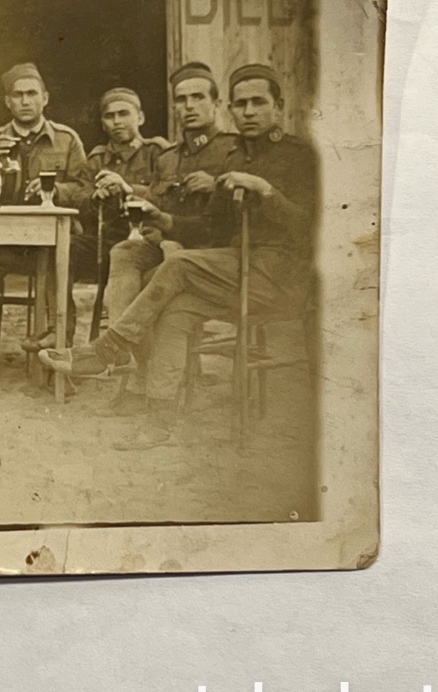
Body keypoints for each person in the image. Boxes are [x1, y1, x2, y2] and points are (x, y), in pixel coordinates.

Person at [41, 64, 319, 447]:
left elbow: (312, 227)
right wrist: (164, 218)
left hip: (281, 275)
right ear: (232, 109)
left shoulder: (300, 155)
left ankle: (104, 350)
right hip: (234, 270)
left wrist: (265, 191)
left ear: (279, 106)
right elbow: (212, 229)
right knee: (177, 311)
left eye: (258, 103)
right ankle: (159, 419)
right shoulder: (235, 156)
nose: (249, 112)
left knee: (178, 263)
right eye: (242, 104)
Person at [87, 64, 246, 414]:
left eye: (198, 97)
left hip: (212, 254)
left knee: (154, 278)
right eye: (181, 99)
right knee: (125, 251)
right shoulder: (169, 156)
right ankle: (128, 356)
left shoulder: (235, 151)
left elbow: (235, 218)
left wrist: (218, 184)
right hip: (172, 247)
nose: (188, 106)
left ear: (217, 104)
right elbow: (160, 202)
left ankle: (139, 382)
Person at [0, 62, 93, 390]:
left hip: (52, 243)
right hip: (7, 243)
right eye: (17, 95)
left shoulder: (66, 140)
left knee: (60, 270)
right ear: (7, 103)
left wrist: (57, 191)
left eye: (32, 94)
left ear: (45, 98)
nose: (25, 101)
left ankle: (60, 355)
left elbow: (87, 192)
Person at [60, 87, 170, 345]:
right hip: (104, 244)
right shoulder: (97, 159)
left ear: (140, 117)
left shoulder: (158, 152)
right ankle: (62, 336)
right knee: (63, 250)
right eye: (110, 116)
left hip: (147, 243)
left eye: (124, 114)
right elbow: (79, 197)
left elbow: (167, 196)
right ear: (103, 123)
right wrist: (94, 198)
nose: (117, 121)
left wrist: (128, 188)